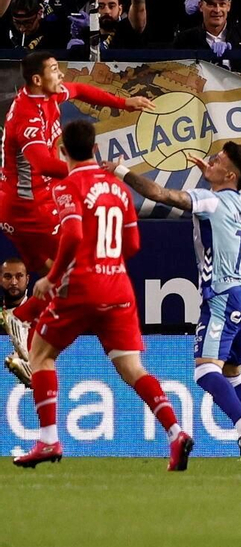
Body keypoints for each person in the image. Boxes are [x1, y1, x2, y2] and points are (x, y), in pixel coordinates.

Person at [14, 122, 191, 471]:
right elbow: (134, 245)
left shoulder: (67, 187)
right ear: (95, 149)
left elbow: (74, 233)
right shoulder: (119, 189)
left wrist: (52, 277)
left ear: (62, 151)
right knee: (132, 368)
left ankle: (48, 439)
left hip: (81, 285)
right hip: (119, 289)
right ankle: (175, 432)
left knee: (40, 356)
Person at [117, 141, 241, 462]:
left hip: (222, 299)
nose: (209, 160)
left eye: (217, 160)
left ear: (229, 173)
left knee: (205, 373)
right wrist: (213, 175)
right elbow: (222, 198)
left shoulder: (210, 200)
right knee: (233, 373)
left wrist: (118, 171)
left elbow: (160, 194)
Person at [0, 52, 154, 292]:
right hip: (27, 208)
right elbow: (43, 165)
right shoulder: (27, 117)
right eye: (53, 69)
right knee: (72, 273)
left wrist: (124, 103)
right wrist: (91, 173)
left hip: (39, 196)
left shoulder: (49, 94)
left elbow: (81, 90)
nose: (60, 73)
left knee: (62, 280)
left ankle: (30, 317)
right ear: (38, 80)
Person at [0, 256, 29, 386]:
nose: (13, 282)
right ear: (0, 279)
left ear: (27, 279)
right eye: (8, 276)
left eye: (19, 276)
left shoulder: (42, 313)